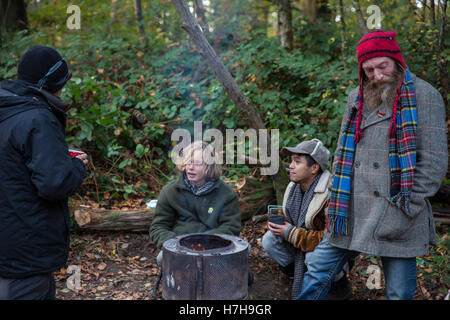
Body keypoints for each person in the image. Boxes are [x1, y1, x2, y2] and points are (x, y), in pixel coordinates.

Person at [296, 30, 448, 300]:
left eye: (383, 66)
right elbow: (342, 151)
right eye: (369, 69)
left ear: (396, 60)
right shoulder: (356, 95)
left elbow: (434, 162)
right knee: (318, 267)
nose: (377, 75)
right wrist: (335, 200)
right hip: (351, 208)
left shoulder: (425, 95)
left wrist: (408, 204)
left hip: (398, 208)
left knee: (398, 292)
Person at [0, 45, 88, 300]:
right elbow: (54, 184)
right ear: (54, 83)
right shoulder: (38, 118)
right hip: (25, 250)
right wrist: (78, 166)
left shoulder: (8, 109)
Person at [262, 138, 351, 299]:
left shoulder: (330, 193)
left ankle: (339, 285)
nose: (291, 166)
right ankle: (301, 277)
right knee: (269, 240)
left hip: (330, 252)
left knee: (313, 257)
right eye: (291, 161)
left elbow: (331, 238)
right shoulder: (293, 187)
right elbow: (293, 216)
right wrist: (279, 221)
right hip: (301, 244)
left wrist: (291, 233)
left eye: (297, 162)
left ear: (314, 168)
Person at [149, 141, 242, 266]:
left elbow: (232, 226)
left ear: (209, 166)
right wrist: (177, 243)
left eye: (197, 163)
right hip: (181, 248)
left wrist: (207, 241)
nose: (190, 167)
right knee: (162, 258)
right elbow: (158, 227)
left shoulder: (226, 194)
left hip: (215, 247)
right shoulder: (170, 191)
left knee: (245, 251)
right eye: (188, 162)